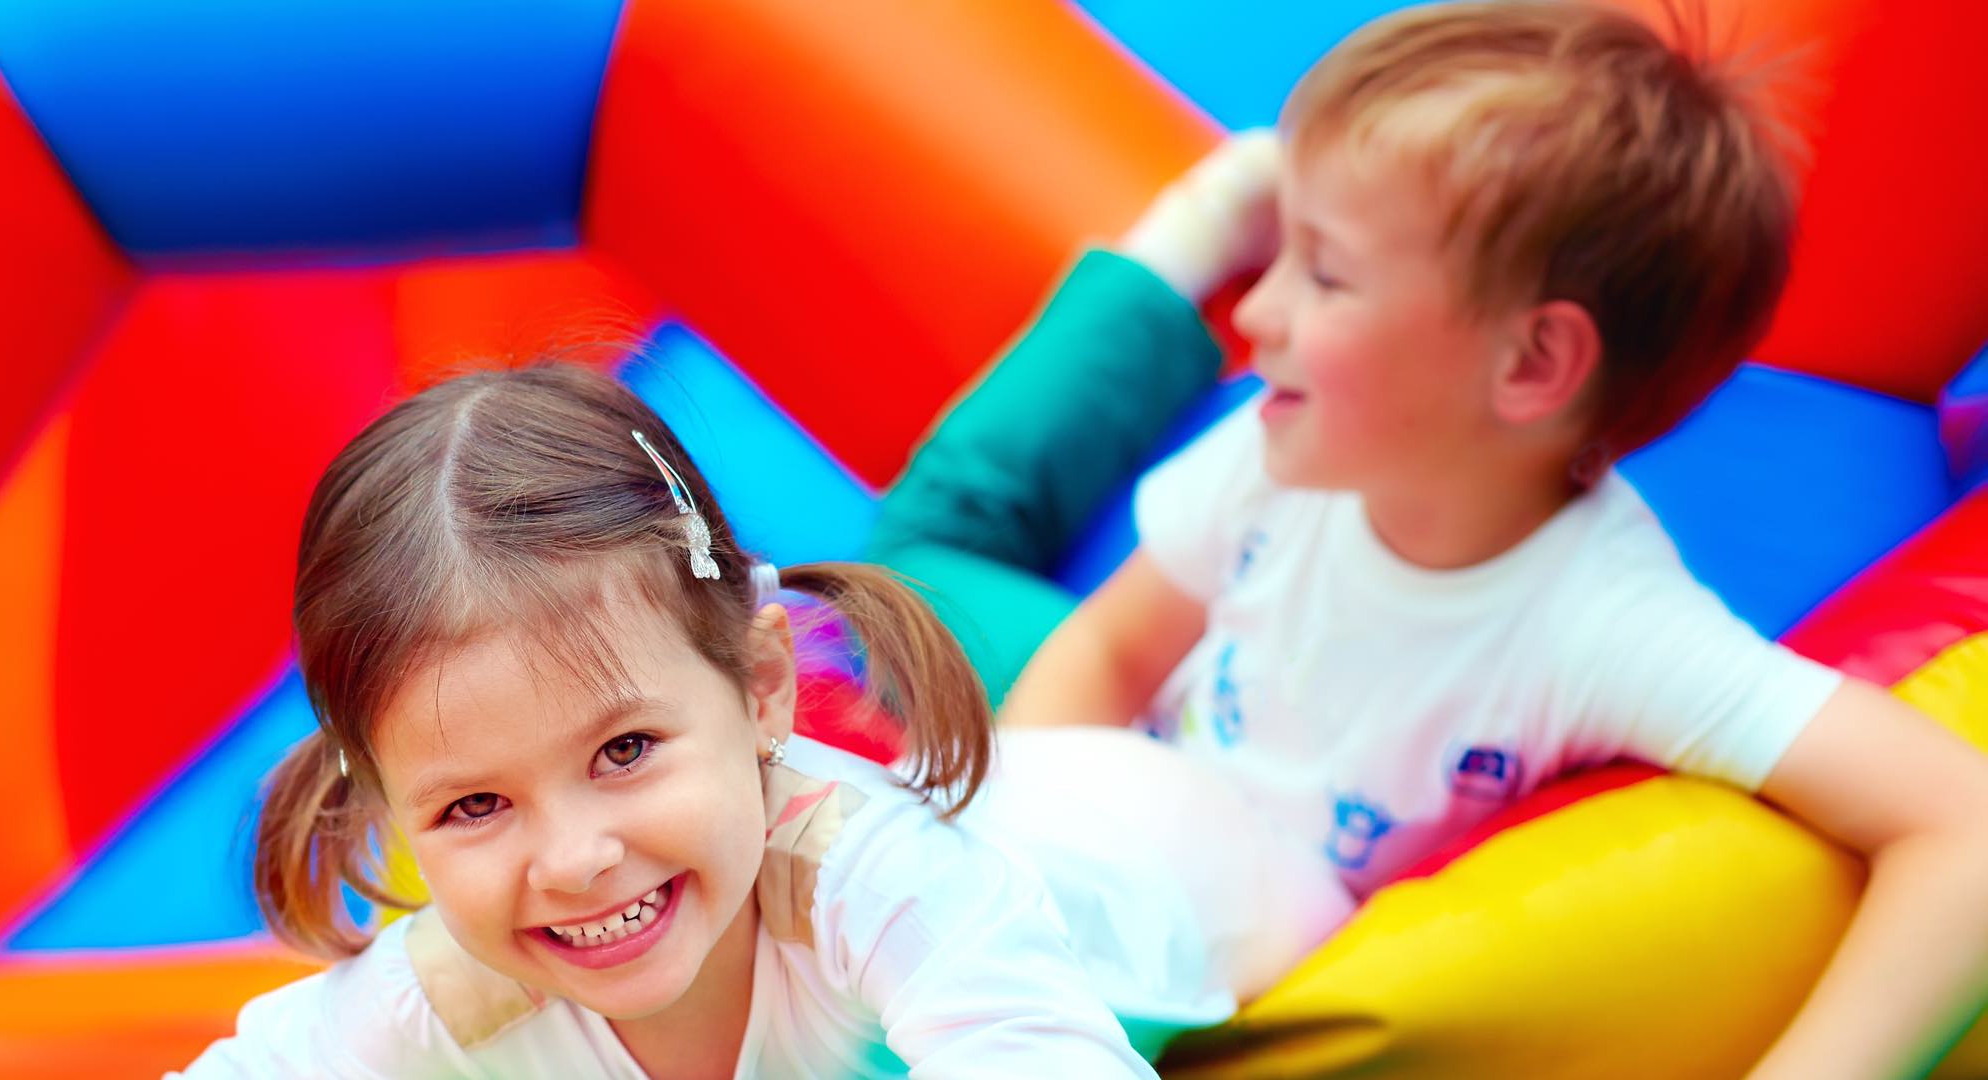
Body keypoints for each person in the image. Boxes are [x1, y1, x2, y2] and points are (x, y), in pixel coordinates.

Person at [876, 4, 1988, 1076]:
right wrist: (1002, 838)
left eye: (1322, 272)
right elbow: (1115, 651)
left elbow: (1964, 827)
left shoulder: (1601, 627)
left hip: (1216, 904)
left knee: (916, 559)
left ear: (1529, 367)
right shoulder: (1286, 453)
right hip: (1144, 785)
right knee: (919, 556)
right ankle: (1192, 240)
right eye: (1288, 259)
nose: (1258, 317)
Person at [173, 363, 1228, 1078]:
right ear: (388, 804)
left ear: (763, 683)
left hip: (1187, 863)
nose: (575, 860)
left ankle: (1173, 255)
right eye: (476, 804)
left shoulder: (873, 879)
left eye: (622, 750)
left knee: (938, 535)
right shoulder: (453, 989)